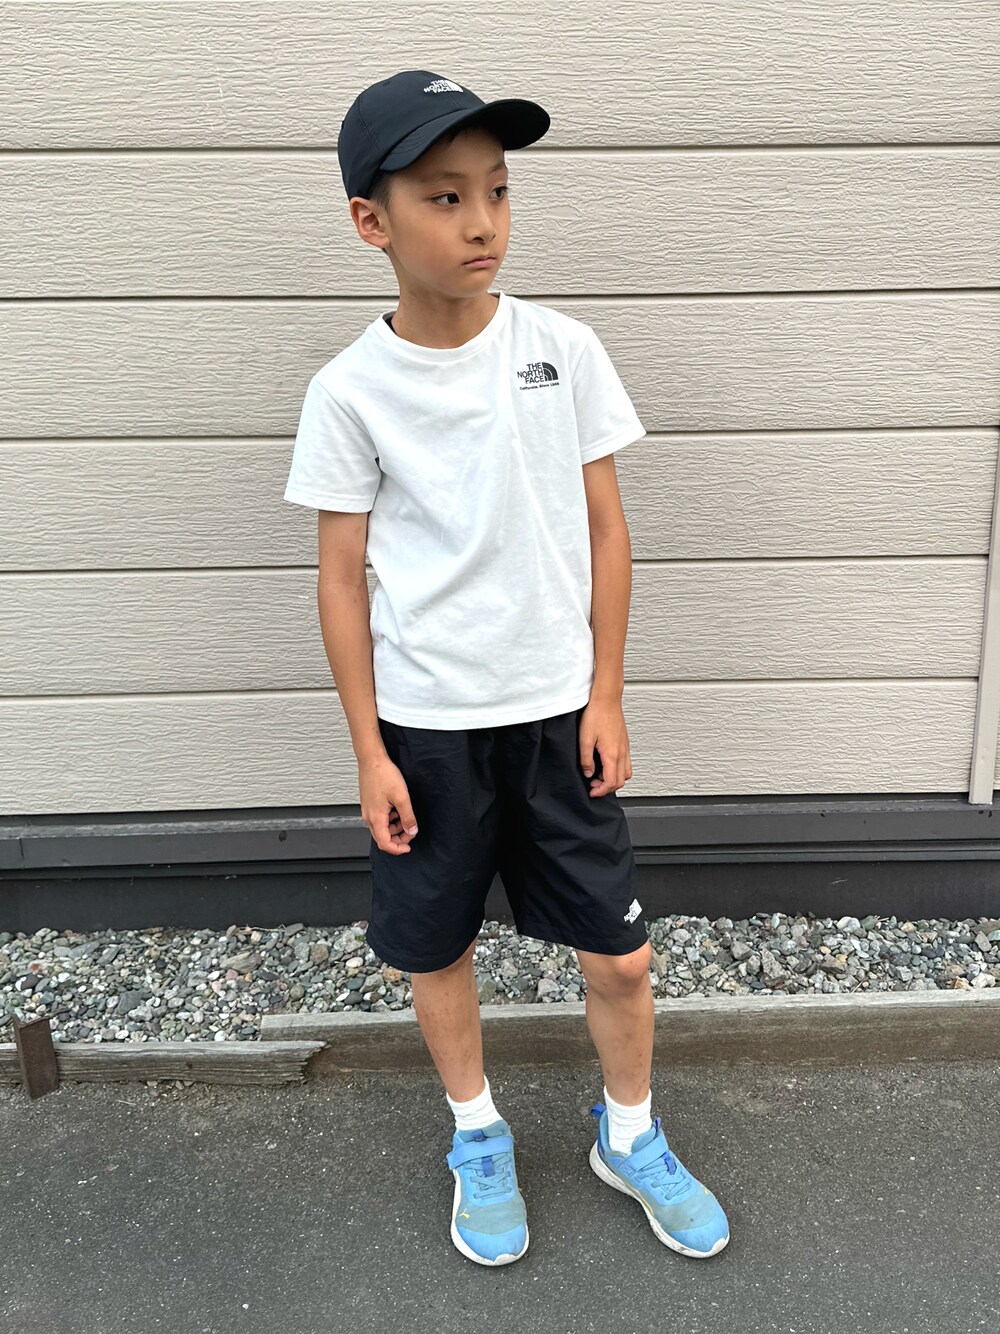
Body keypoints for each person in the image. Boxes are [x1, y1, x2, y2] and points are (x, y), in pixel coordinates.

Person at [283, 68, 730, 1267]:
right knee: (436, 945)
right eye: (444, 197)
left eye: (496, 190)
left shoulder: (561, 350)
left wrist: (607, 689)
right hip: (427, 724)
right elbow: (340, 577)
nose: (481, 221)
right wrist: (369, 750)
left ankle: (627, 1131)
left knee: (621, 953)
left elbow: (607, 530)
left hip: (555, 713)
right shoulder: (349, 390)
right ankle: (476, 1131)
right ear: (371, 221)